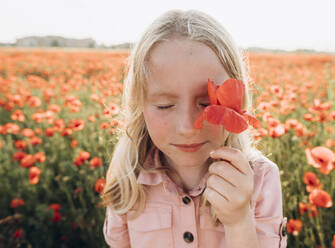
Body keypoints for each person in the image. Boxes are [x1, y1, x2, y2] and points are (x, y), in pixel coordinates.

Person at [101, 9, 287, 248]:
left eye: (207, 103)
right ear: (140, 106)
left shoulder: (260, 179)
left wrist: (239, 220)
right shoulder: (127, 177)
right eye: (165, 105)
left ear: (237, 100)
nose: (188, 127)